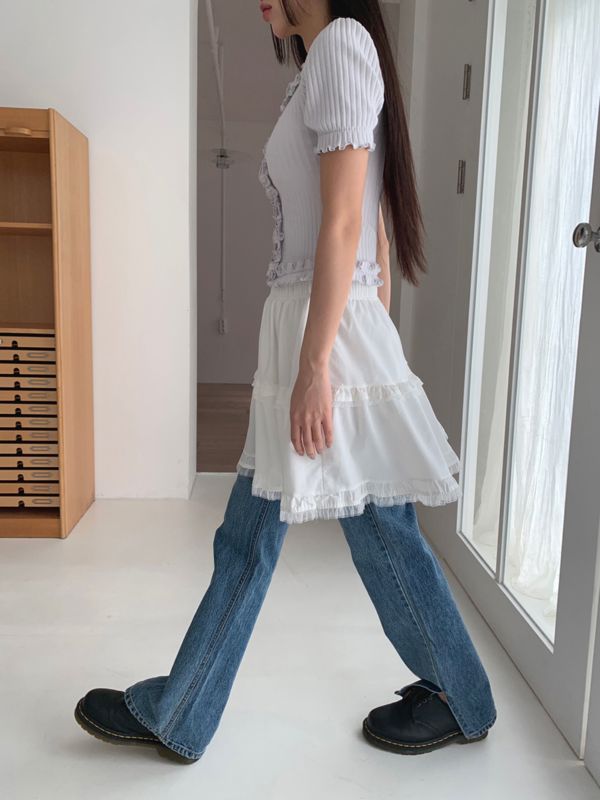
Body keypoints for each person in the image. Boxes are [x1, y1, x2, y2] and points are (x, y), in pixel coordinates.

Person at [74, 0, 497, 765]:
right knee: (287, 534)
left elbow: (347, 224)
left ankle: (188, 711)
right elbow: (369, 227)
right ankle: (190, 710)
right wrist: (337, 349)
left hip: (324, 340)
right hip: (321, 332)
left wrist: (321, 366)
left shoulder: (341, 47)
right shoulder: (323, 62)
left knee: (334, 534)